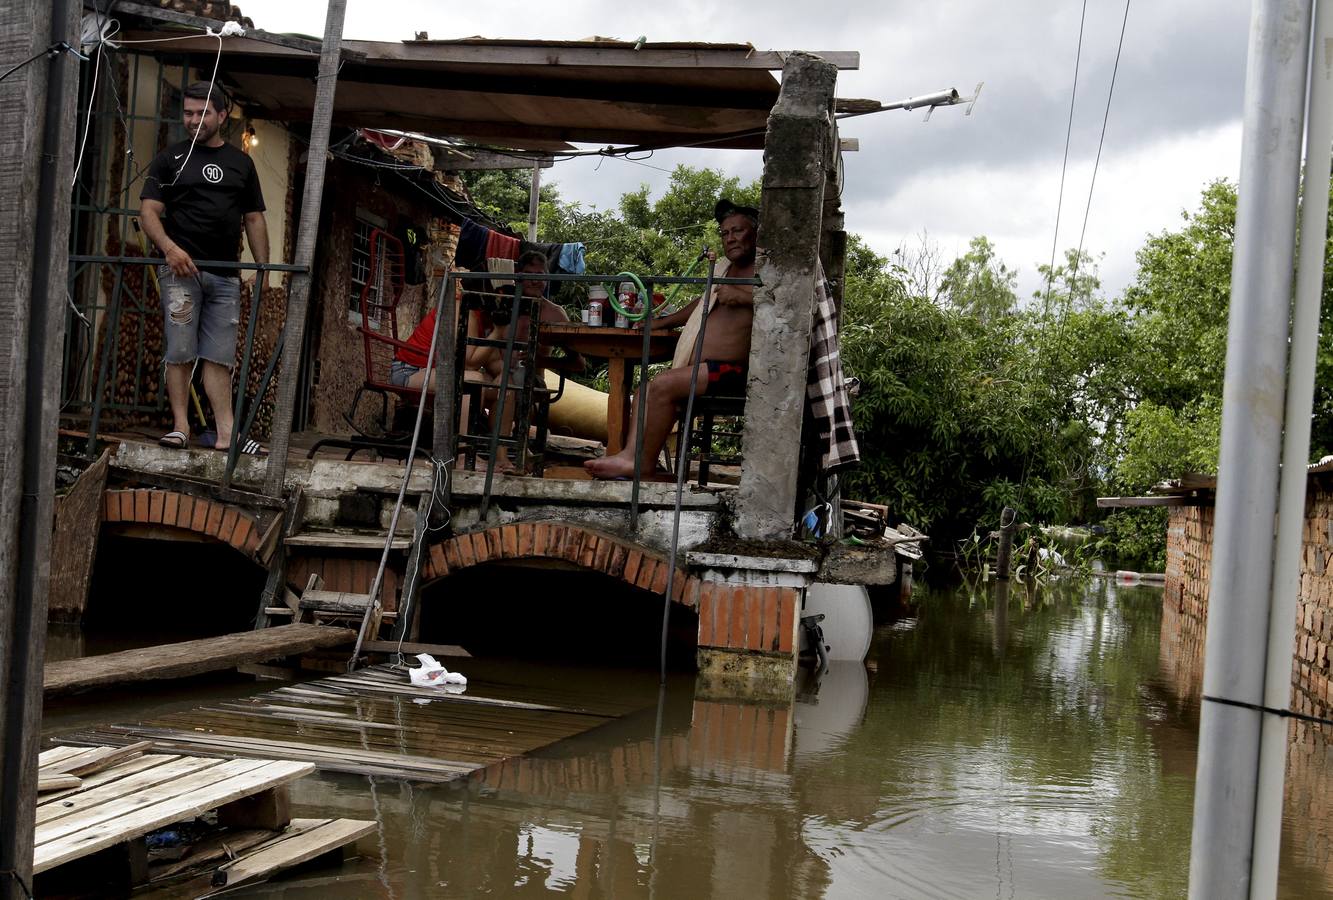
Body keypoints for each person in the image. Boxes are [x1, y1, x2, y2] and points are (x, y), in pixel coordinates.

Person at [584, 198, 757, 479]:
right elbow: (701, 303)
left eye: (737, 230)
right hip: (704, 368)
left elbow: (784, 302)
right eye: (725, 233)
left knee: (663, 384)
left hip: (735, 371)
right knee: (644, 392)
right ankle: (630, 456)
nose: (730, 238)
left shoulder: (766, 269)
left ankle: (642, 463)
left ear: (756, 232)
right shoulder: (726, 268)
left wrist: (744, 296)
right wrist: (659, 322)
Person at [140, 81, 269, 452]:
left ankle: (227, 434)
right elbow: (148, 212)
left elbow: (254, 218)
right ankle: (181, 426)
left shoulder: (241, 163)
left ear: (222, 116)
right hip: (181, 273)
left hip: (226, 276)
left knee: (219, 355)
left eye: (203, 113)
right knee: (181, 348)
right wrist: (169, 248)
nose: (194, 120)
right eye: (188, 113)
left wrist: (264, 268)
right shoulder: (171, 158)